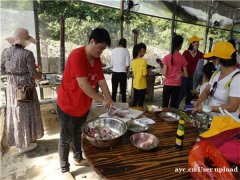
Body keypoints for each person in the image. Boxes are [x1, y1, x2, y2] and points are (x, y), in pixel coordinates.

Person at [57, 27, 112, 179]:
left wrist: (110, 98)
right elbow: (84, 85)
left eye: (103, 49)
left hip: (83, 106)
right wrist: (102, 99)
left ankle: (78, 158)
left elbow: (101, 81)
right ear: (92, 41)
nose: (101, 52)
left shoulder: (97, 60)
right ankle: (64, 169)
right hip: (68, 105)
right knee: (65, 137)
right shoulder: (77, 55)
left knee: (78, 133)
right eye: (100, 48)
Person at [0, 28, 44, 153]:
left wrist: (13, 72)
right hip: (25, 87)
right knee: (26, 113)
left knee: (15, 112)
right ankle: (24, 144)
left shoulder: (5, 52)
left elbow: (1, 70)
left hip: (12, 85)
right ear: (25, 40)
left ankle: (20, 142)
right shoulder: (27, 54)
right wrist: (39, 74)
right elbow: (34, 74)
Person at [193, 41, 240, 117]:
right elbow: (207, 90)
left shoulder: (237, 78)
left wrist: (207, 108)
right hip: (212, 118)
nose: (212, 60)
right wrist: (199, 101)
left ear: (219, 59)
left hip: (225, 123)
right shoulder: (216, 73)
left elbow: (233, 107)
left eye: (213, 58)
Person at [177, 35, 204, 108]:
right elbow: (180, 63)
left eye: (198, 43)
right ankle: (175, 107)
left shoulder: (198, 53)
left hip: (191, 76)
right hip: (184, 76)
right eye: (196, 42)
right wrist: (181, 73)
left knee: (190, 93)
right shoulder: (186, 52)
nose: (198, 44)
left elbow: (206, 56)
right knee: (181, 93)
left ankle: (188, 108)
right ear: (192, 43)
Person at [161, 35, 188, 108]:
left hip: (167, 85)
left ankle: (163, 118)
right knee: (173, 106)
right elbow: (186, 75)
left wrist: (162, 70)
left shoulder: (166, 57)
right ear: (180, 45)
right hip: (177, 86)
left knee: (164, 105)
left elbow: (164, 73)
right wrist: (180, 72)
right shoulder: (182, 58)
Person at [111, 38, 130, 102]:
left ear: (119, 43)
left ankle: (113, 107)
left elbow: (112, 63)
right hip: (122, 73)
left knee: (114, 91)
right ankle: (123, 107)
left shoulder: (113, 50)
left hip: (114, 73)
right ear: (125, 44)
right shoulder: (126, 50)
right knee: (123, 92)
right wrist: (125, 70)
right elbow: (127, 65)